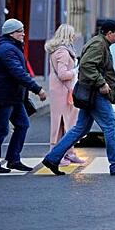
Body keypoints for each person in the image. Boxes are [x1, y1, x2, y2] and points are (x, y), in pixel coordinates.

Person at [42, 20, 115, 176]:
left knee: (80, 128)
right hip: (95, 93)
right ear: (109, 33)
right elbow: (86, 65)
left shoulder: (100, 43)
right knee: (111, 125)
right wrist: (101, 83)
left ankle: (52, 158)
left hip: (90, 93)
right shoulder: (99, 45)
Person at [0, 19, 47, 174]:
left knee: (22, 125)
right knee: (1, 129)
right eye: (20, 31)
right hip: (3, 96)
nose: (23, 34)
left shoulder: (12, 47)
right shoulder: (7, 50)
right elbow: (18, 72)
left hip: (14, 96)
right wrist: (37, 89)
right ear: (11, 33)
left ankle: (13, 159)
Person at [45, 24, 85, 166]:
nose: (74, 36)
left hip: (63, 90)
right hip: (61, 91)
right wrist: (75, 71)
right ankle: (55, 154)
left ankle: (69, 152)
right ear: (67, 35)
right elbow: (62, 74)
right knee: (60, 123)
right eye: (72, 34)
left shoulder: (61, 50)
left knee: (68, 122)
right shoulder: (63, 52)